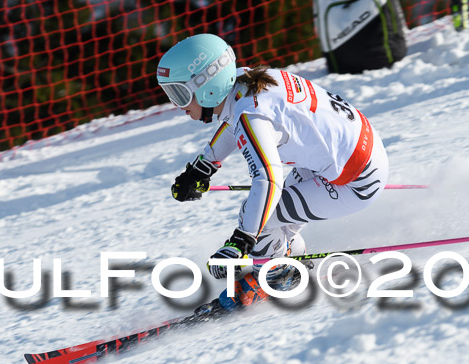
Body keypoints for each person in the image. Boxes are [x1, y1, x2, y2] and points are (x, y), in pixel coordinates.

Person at [156, 33, 389, 286]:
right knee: (271, 214)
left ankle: (280, 276)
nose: (179, 106)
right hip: (357, 151)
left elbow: (267, 179)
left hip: (357, 180)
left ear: (206, 86)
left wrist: (242, 239)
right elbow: (233, 122)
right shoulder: (247, 81)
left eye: (179, 94)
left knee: (256, 214)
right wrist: (202, 168)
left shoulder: (251, 115)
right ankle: (286, 254)